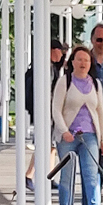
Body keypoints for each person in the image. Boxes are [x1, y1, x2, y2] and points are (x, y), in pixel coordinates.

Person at [51, 44, 103, 205]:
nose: (83, 63)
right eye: (80, 59)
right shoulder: (65, 81)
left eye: (86, 60)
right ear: (72, 62)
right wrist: (64, 131)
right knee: (67, 176)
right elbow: (56, 109)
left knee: (91, 173)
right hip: (68, 135)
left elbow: (100, 113)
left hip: (90, 134)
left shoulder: (95, 84)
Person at [22, 39, 65, 192]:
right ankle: (29, 175)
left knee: (50, 146)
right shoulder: (46, 68)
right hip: (46, 112)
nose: (63, 54)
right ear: (53, 50)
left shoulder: (48, 67)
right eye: (61, 50)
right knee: (44, 145)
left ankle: (49, 176)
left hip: (47, 112)